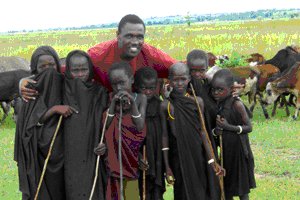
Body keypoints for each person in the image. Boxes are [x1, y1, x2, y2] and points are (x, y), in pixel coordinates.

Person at [20, 14, 176, 100]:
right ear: (118, 36)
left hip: (141, 109)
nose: (135, 42)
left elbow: (179, 68)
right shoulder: (97, 56)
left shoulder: (151, 54)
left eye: (139, 37)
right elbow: (65, 70)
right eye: (129, 36)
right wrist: (25, 81)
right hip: (106, 109)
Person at [14, 46, 75, 200]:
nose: (48, 70)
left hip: (66, 155)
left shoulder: (66, 84)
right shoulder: (30, 92)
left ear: (58, 65)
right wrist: (53, 109)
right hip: (38, 158)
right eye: (43, 67)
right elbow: (27, 128)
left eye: (51, 65)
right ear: (35, 69)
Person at [160, 62, 224, 200]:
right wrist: (167, 166)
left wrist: (212, 159)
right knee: (182, 191)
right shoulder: (166, 105)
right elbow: (164, 136)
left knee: (200, 188)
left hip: (197, 152)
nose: (179, 83)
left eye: (183, 79)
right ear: (169, 81)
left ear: (189, 79)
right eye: (175, 80)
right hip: (178, 156)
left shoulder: (197, 102)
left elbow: (202, 132)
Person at [94, 61, 147, 200]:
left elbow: (140, 125)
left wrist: (133, 104)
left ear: (132, 79)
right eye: (114, 84)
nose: (118, 88)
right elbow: (106, 125)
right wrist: (112, 105)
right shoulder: (110, 97)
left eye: (122, 83)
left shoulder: (140, 98)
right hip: (114, 154)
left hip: (131, 153)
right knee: (114, 190)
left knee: (131, 192)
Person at [63, 50, 108, 200]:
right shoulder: (61, 89)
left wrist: (105, 143)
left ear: (90, 69)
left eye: (84, 69)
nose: (80, 74)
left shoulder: (99, 92)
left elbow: (108, 124)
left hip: (93, 152)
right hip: (69, 153)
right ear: (68, 71)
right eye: (75, 70)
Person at [211, 69, 256, 200]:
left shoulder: (237, 104)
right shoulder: (218, 104)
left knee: (242, 188)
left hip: (239, 152)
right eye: (214, 90)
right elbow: (216, 130)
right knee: (227, 185)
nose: (216, 93)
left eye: (220, 90)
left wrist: (228, 127)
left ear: (231, 89)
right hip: (226, 151)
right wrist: (216, 131)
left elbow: (249, 127)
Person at [134, 67, 165, 200]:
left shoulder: (160, 105)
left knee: (157, 187)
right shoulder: (133, 105)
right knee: (142, 187)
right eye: (143, 88)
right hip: (141, 150)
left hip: (157, 152)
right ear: (135, 86)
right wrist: (138, 155)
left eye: (151, 88)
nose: (147, 92)